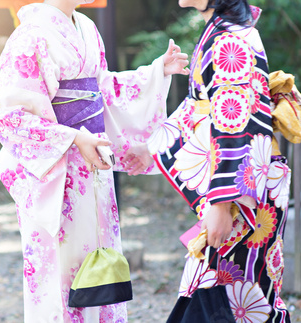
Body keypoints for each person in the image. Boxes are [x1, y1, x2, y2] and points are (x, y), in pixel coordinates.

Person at [0, 0, 189, 321]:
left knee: (99, 264)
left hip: (93, 167)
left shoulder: (88, 29)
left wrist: (154, 73)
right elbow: (9, 116)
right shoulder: (29, 36)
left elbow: (102, 89)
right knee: (59, 274)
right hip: (56, 170)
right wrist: (74, 138)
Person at [122, 0, 292, 322]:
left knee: (235, 299)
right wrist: (152, 148)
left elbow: (236, 124)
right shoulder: (222, 31)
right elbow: (201, 108)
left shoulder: (230, 39)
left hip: (242, 197)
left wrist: (221, 203)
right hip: (244, 189)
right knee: (226, 296)